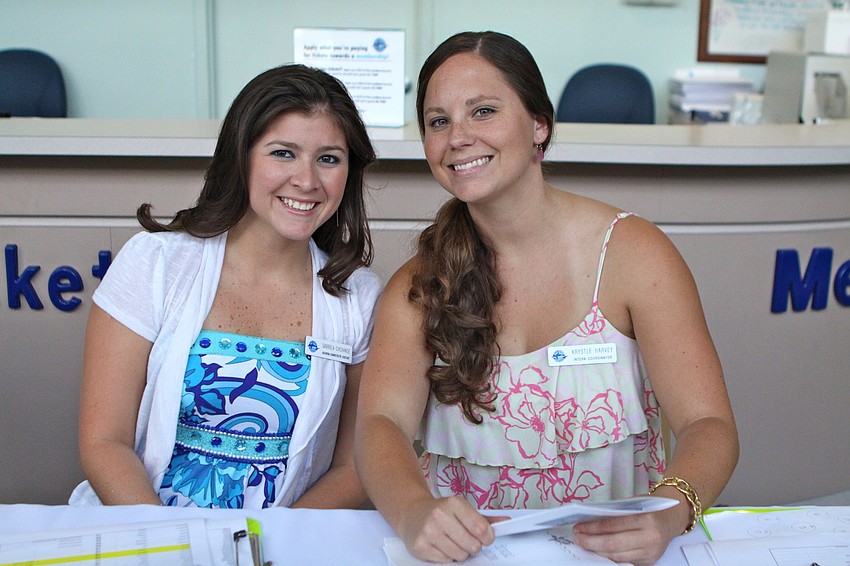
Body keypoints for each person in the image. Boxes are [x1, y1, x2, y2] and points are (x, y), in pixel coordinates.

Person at [354, 31, 739, 565]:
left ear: (540, 125)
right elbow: (381, 424)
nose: (458, 137)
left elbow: (708, 424)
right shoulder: (420, 284)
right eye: (438, 121)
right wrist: (413, 510)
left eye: (482, 111)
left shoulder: (633, 254)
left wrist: (672, 509)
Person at [71, 64, 382, 509]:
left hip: (280, 547)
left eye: (329, 158)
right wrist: (173, 547)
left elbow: (353, 468)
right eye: (283, 153)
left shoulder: (359, 296)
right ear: (242, 156)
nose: (307, 180)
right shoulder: (154, 262)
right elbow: (104, 442)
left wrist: (267, 548)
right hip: (146, 533)